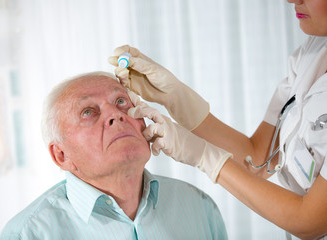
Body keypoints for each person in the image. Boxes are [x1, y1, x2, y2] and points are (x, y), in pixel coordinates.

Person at [108, 0, 327, 239]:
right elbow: (257, 159)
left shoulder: (194, 210)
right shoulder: (314, 52)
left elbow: (310, 221)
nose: (292, 0)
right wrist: (177, 98)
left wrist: (204, 156)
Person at [0, 72, 227, 239]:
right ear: (61, 155)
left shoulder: (200, 207)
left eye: (120, 102)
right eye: (88, 112)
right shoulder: (27, 234)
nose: (115, 115)